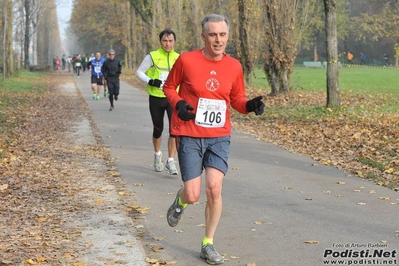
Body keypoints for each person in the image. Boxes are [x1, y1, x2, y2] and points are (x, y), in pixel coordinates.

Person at [163, 14, 265, 265]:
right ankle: (181, 200)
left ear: (227, 36)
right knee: (194, 194)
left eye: (222, 34)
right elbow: (168, 87)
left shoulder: (234, 66)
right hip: (189, 134)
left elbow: (237, 100)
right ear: (203, 37)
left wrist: (250, 105)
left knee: (215, 189)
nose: (218, 40)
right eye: (212, 35)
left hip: (219, 136)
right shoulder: (186, 60)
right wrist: (179, 104)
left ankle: (208, 244)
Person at [136, 29, 180, 175]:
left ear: (174, 42)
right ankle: (157, 155)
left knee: (174, 130)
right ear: (160, 42)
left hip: (173, 98)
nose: (168, 44)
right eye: (165, 41)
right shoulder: (152, 56)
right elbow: (139, 72)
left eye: (170, 41)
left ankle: (171, 161)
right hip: (156, 97)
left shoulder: (179, 58)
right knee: (158, 129)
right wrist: (151, 81)